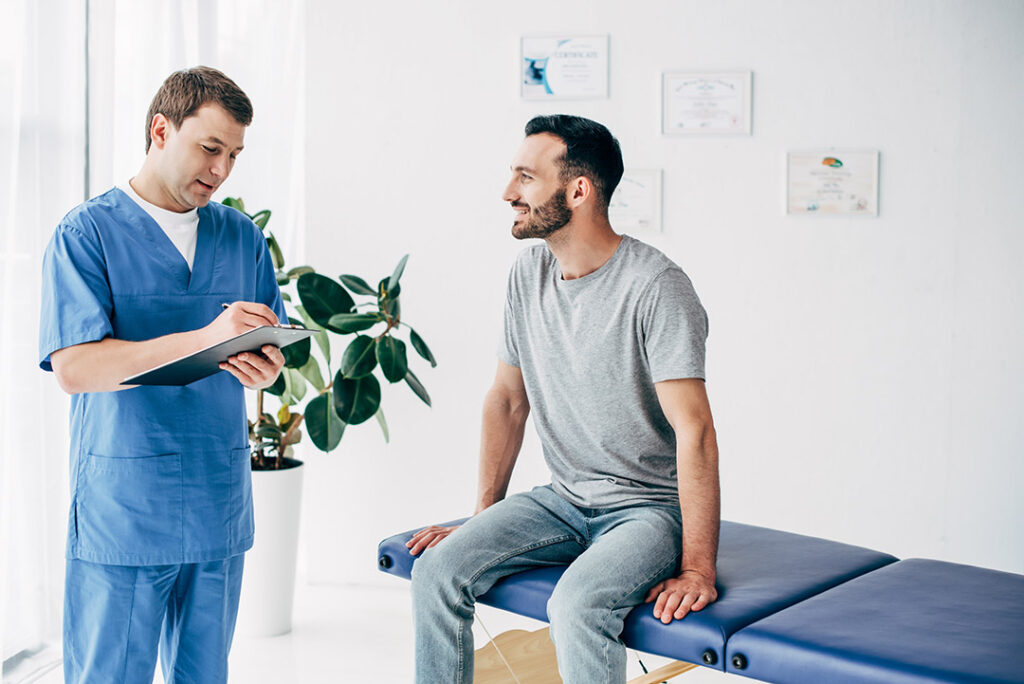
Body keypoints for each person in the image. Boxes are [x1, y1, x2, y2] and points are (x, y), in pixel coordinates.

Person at [407, 115, 720, 683]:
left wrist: (697, 567)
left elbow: (695, 430)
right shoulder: (528, 275)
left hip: (645, 512)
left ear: (578, 190)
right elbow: (506, 400)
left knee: (576, 605)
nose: (509, 193)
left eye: (525, 177)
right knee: (437, 571)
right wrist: (485, 521)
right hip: (562, 499)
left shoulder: (656, 287)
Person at [38, 66, 287, 684]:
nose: (222, 170)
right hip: (125, 508)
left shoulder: (242, 238)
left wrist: (265, 369)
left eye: (234, 154)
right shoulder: (87, 234)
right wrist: (204, 338)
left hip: (215, 502)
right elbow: (75, 368)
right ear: (159, 129)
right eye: (209, 148)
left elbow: (264, 359)